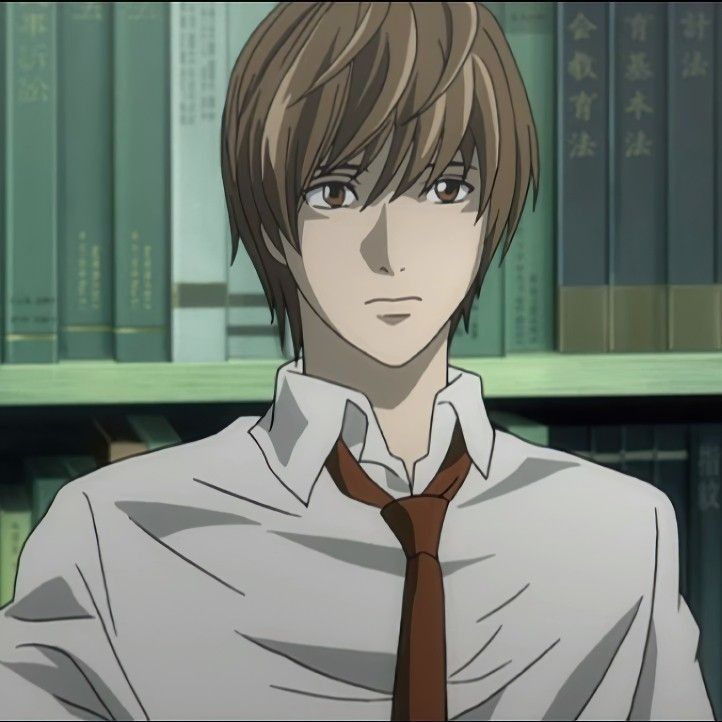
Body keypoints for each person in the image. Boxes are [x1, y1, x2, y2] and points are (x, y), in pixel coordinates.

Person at [0, 2, 713, 719]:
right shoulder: (112, 533)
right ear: (273, 223)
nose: (391, 249)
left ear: (489, 212)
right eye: (337, 192)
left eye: (445, 189)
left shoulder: (622, 533)